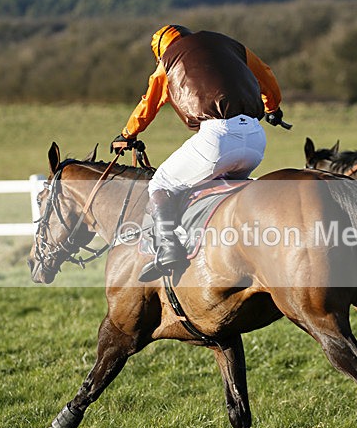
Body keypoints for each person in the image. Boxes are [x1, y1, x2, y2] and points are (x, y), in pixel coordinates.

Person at [111, 25, 286, 282]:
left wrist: (127, 135)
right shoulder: (231, 45)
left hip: (217, 138)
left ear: (160, 50)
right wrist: (272, 107)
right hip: (256, 138)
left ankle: (168, 247)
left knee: (161, 182)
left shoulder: (168, 61)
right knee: (219, 190)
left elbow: (150, 102)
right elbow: (266, 74)